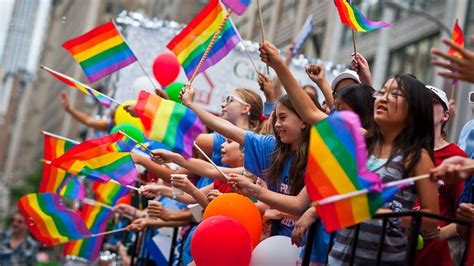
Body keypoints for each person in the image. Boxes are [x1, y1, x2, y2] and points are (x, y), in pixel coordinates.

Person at [229, 41, 439, 264]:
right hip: (340, 255)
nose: (383, 98)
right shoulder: (360, 141)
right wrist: (280, 65)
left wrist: (388, 215)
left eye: (394, 94)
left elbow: (430, 218)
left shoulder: (416, 157)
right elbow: (310, 112)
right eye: (382, 91)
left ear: (414, 109)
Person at [179, 83, 330, 264]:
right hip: (272, 248)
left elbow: (298, 205)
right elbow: (227, 129)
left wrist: (253, 190)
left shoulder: (322, 157)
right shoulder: (272, 148)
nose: (278, 124)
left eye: (283, 118)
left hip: (310, 251)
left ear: (304, 120)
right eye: (276, 119)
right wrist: (190, 105)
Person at [415, 85, 467, 265]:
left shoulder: (457, 157)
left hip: (436, 254)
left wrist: (442, 232)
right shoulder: (404, 151)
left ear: (445, 115)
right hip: (397, 250)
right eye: (420, 102)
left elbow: (466, 213)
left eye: (431, 102)